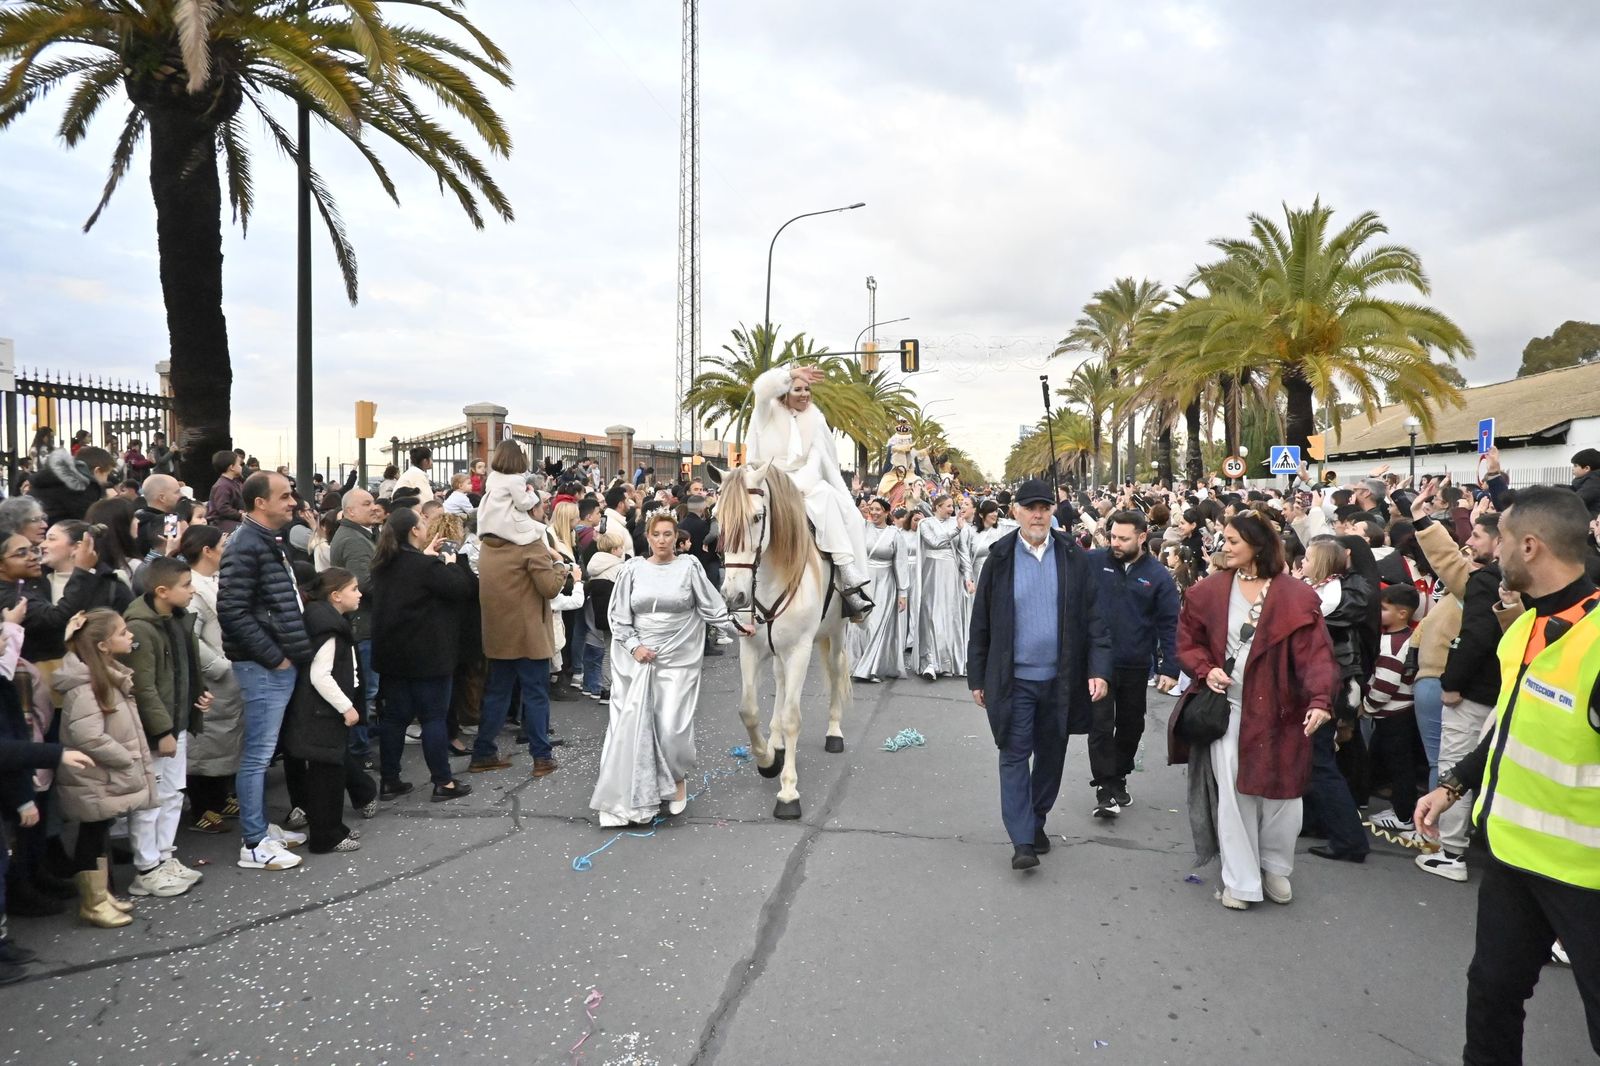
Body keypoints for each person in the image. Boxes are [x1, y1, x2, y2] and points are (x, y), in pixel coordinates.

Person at [1413, 486, 1600, 1064]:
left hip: (1585, 877)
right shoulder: (1522, 628)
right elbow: (1510, 728)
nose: (1491, 556)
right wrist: (1453, 785)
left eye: (1500, 547)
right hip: (1511, 859)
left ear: (1530, 546)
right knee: (1492, 996)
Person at [1174, 511, 1338, 909]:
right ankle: (1241, 881)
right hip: (1228, 709)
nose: (1223, 547)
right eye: (1223, 540)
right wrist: (1205, 668)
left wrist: (1320, 701)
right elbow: (1186, 642)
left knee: (1284, 798)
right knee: (1233, 795)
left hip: (1284, 713)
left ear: (1258, 546)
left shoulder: (1297, 597)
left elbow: (1317, 656)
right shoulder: (1207, 592)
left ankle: (1275, 866)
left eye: (1232, 541)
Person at [969, 480, 1111, 870]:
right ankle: (1022, 839)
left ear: (1052, 511)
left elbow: (1095, 619)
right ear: (1015, 511)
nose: (1037, 514)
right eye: (1030, 507)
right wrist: (977, 677)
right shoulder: (999, 558)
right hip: (1014, 680)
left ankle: (1036, 819)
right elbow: (981, 622)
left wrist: (1099, 669)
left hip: (1060, 680)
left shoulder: (1072, 556)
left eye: (1044, 507)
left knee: (1051, 755)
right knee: (1014, 754)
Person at [589, 513, 744, 827]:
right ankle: (638, 793)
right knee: (634, 727)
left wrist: (740, 627)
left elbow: (711, 607)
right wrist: (634, 646)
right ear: (648, 537)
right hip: (638, 659)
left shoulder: (689, 567)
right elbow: (618, 616)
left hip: (677, 657)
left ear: (677, 538)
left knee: (671, 726)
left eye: (667, 534)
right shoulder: (632, 569)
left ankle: (675, 778)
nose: (661, 540)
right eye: (656, 534)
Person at [218, 472, 312, 872]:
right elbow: (232, 611)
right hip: (264, 665)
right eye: (285, 496)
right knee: (258, 755)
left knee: (263, 750)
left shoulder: (264, 540)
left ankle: (260, 830)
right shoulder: (245, 544)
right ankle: (254, 842)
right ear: (260, 503)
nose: (293, 502)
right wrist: (275, 657)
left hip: (275, 662)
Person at [52, 609, 155, 928]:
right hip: (94, 775)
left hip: (100, 774)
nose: (131, 635)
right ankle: (93, 902)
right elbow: (87, 734)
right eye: (123, 632)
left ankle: (101, 895)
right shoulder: (87, 685)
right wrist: (126, 757)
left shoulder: (106, 674)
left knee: (98, 832)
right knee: (91, 833)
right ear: (102, 646)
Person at [744, 365, 873, 620]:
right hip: (767, 481)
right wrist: (788, 374)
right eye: (798, 389)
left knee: (837, 504)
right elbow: (760, 389)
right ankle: (738, 587)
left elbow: (817, 459)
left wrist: (800, 485)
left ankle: (846, 572)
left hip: (805, 485)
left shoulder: (815, 418)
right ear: (783, 392)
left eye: (807, 389)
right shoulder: (765, 413)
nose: (804, 394)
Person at [368, 506, 476, 801]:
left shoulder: (383, 563)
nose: (427, 524)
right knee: (433, 718)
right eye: (423, 522)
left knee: (394, 719)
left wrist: (426, 556)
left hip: (392, 656)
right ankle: (443, 781)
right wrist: (451, 562)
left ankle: (389, 780)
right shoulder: (426, 568)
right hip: (428, 655)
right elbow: (460, 589)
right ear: (415, 530)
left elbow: (409, 581)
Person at [120, 556, 211, 898]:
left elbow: (184, 669)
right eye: (186, 585)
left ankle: (164, 855)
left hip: (179, 720)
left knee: (173, 792)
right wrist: (161, 731)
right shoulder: (141, 627)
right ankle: (146, 868)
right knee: (152, 797)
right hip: (160, 728)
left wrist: (198, 695)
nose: (192, 590)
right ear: (162, 590)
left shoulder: (177, 618)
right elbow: (143, 686)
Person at [1085, 510, 1179, 818]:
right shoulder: (1094, 563)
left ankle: (1119, 777)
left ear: (1142, 538)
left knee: (1130, 726)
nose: (1116, 543)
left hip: (1136, 664)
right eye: (1112, 536)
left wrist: (1170, 667)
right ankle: (1105, 788)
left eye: (1123, 539)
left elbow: (1169, 625)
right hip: (1098, 664)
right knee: (1100, 725)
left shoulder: (1159, 576)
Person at [474, 487, 569, 776]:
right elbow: (550, 587)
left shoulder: (488, 546)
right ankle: (541, 757)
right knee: (536, 695)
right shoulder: (529, 545)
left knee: (497, 693)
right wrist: (561, 565)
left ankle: (483, 751)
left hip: (498, 631)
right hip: (529, 633)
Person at [284, 568, 366, 853]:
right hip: (324, 712)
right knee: (326, 778)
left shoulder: (325, 619)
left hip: (321, 711)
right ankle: (326, 835)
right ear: (336, 595)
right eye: (354, 589)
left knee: (330, 773)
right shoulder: (329, 629)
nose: (359, 594)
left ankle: (334, 828)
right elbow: (320, 675)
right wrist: (346, 707)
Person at [178, 525, 244, 834]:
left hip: (226, 678)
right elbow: (189, 636)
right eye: (221, 544)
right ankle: (203, 806)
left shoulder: (215, 580)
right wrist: (219, 666)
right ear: (207, 550)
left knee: (224, 740)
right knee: (204, 744)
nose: (226, 548)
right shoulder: (193, 587)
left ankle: (220, 796)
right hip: (212, 679)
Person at [1361, 583, 1423, 835]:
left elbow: (1385, 684)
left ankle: (1403, 815)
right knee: (1395, 762)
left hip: (1394, 713)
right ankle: (1400, 809)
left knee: (1400, 766)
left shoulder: (1392, 645)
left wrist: (1366, 706)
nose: (1379, 612)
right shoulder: (1407, 638)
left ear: (1402, 613)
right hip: (1402, 711)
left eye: (1384, 608)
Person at [328, 488, 382, 766]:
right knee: (364, 691)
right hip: (363, 626)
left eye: (373, 502)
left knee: (364, 690)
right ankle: (358, 753)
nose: (374, 507)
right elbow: (366, 583)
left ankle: (359, 749)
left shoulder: (360, 535)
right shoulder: (355, 540)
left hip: (362, 625)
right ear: (350, 511)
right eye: (367, 503)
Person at [851, 498, 909, 683]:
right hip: (864, 581)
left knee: (877, 624)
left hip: (886, 583)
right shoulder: (863, 528)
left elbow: (900, 564)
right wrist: (853, 492)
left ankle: (872, 668)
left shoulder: (895, 534)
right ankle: (857, 663)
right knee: (861, 624)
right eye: (872, 509)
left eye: (878, 510)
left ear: (886, 512)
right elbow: (847, 512)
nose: (874, 512)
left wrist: (902, 593)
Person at [916, 495, 971, 680]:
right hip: (932, 572)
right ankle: (929, 662)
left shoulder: (957, 523)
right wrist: (956, 529)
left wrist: (968, 577)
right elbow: (934, 541)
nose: (951, 509)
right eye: (948, 506)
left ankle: (949, 661)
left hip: (951, 573)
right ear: (937, 506)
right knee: (931, 614)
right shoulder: (926, 524)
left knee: (950, 615)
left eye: (952, 506)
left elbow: (963, 552)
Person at [581, 528, 627, 703]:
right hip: (619, 615)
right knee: (622, 653)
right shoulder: (619, 568)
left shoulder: (594, 567)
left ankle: (606, 688)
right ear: (614, 549)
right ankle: (618, 687)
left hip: (601, 616)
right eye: (620, 547)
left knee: (607, 651)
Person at [28, 446, 117, 525]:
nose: (106, 480)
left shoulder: (53, 478)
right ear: (97, 471)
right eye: (107, 474)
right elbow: (89, 521)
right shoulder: (86, 486)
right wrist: (107, 503)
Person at [206, 450, 245, 533]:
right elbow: (222, 508)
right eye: (239, 464)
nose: (241, 467)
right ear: (232, 467)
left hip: (231, 519)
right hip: (220, 522)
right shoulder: (222, 485)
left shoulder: (236, 482)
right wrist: (240, 515)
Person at [1571, 447, 1600, 517]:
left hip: (1594, 518)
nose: (1572, 469)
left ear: (1586, 468)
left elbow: (1579, 499)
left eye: (1575, 466)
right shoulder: (1588, 480)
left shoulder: (1595, 481)